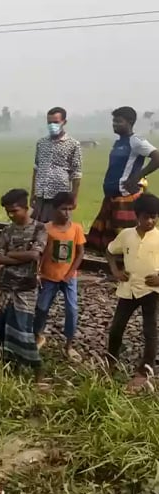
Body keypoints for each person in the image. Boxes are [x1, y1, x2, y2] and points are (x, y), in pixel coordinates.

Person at [0, 189, 47, 376]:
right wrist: (21, 257)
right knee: (2, 324)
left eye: (14, 210)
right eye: (8, 212)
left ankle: (37, 369)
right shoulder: (7, 230)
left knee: (23, 327)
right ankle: (9, 365)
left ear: (26, 208)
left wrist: (10, 255)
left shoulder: (39, 229)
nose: (11, 215)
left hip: (25, 288)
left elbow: (35, 255)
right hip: (6, 287)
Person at [105, 193, 159, 389]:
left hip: (151, 290)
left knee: (150, 331)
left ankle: (144, 370)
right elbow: (110, 251)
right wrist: (115, 270)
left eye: (154, 216)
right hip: (128, 290)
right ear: (137, 215)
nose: (150, 221)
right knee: (117, 327)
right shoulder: (126, 235)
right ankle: (110, 360)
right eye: (146, 217)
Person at [88, 106, 159, 252]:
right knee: (107, 241)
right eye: (114, 121)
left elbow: (157, 157)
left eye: (118, 121)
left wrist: (138, 176)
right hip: (111, 196)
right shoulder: (118, 142)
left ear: (130, 122)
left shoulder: (136, 141)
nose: (114, 124)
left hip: (124, 197)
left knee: (127, 239)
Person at [34, 192, 85, 361]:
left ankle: (69, 345)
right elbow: (40, 253)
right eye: (64, 209)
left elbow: (79, 253)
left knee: (72, 309)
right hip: (49, 276)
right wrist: (38, 272)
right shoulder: (46, 229)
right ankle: (37, 336)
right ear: (55, 209)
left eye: (70, 209)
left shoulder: (76, 228)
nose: (67, 213)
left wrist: (70, 274)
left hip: (69, 278)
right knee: (41, 308)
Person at [31, 107, 83, 222]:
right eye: (49, 122)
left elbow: (77, 174)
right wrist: (33, 193)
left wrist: (74, 197)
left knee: (58, 229)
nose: (52, 125)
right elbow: (36, 169)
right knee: (38, 229)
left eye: (55, 122)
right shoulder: (41, 143)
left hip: (60, 196)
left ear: (64, 122)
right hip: (41, 194)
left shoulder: (73, 144)